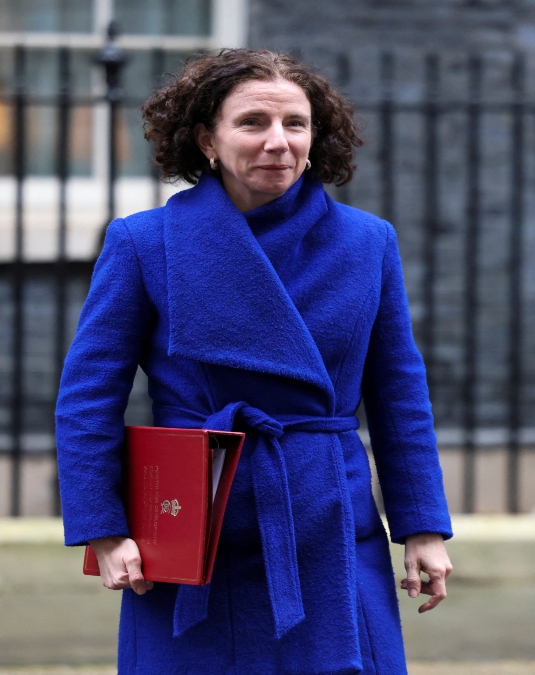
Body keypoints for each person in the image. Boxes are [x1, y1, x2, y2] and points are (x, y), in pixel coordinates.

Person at [54, 49, 453, 673]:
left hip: (330, 521)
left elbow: (400, 393)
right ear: (207, 141)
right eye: (253, 123)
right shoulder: (144, 243)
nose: (279, 142)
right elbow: (88, 397)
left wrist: (422, 526)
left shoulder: (367, 242)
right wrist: (102, 527)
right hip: (195, 526)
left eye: (295, 123)